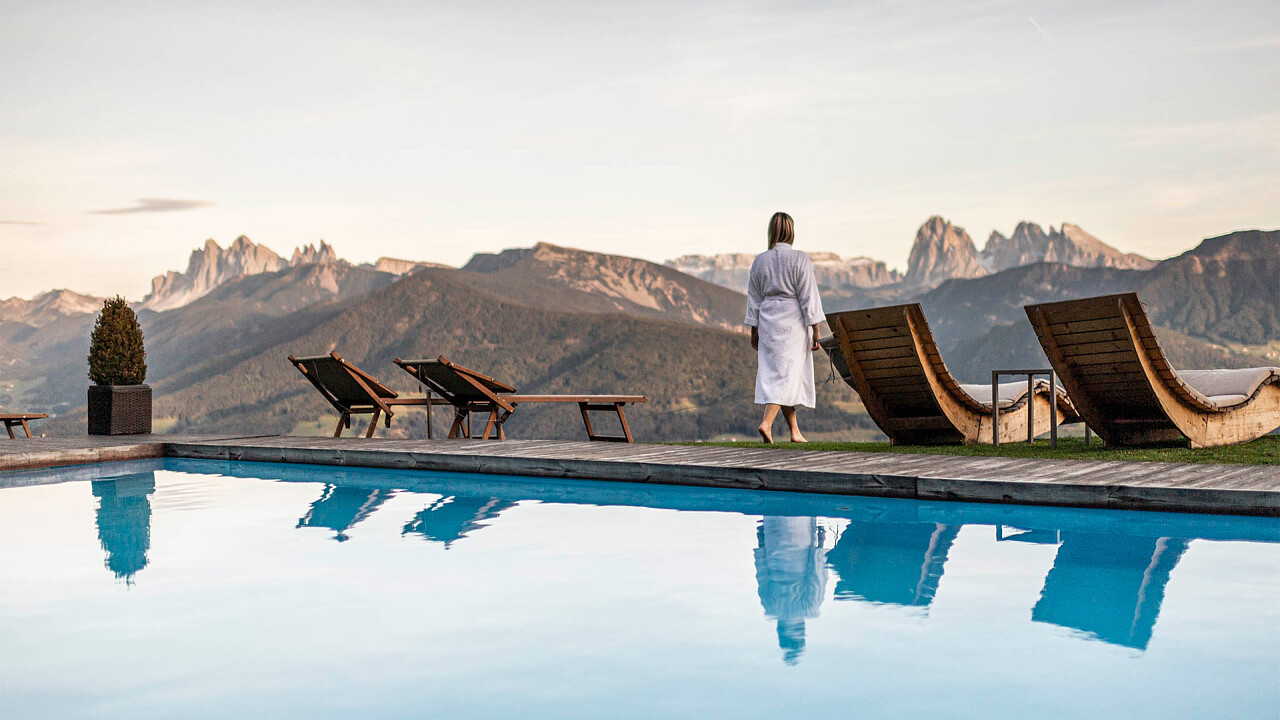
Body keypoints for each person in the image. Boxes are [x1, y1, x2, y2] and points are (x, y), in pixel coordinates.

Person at [745, 212, 825, 443]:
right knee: (786, 376)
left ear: (771, 231)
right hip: (793, 324)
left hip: (769, 321)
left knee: (783, 376)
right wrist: (816, 330)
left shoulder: (760, 261)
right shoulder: (800, 259)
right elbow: (809, 296)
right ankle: (766, 423)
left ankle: (794, 432)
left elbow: (754, 299)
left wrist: (754, 329)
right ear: (791, 231)